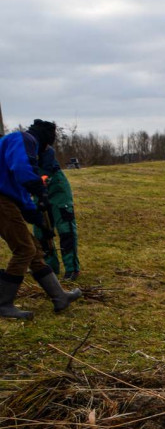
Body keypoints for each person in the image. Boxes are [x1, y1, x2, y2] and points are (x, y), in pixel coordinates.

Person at [0, 120, 82, 320]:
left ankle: (59, 296)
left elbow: (20, 192)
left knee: (34, 250)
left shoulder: (20, 145)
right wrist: (39, 189)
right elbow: (22, 170)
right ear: (45, 141)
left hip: (7, 200)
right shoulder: (23, 139)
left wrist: (37, 219)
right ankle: (3, 304)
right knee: (24, 249)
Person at [32, 142, 81, 280]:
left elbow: (49, 152)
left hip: (56, 186)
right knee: (41, 230)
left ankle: (72, 269)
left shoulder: (33, 145)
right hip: (38, 189)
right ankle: (49, 267)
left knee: (65, 228)